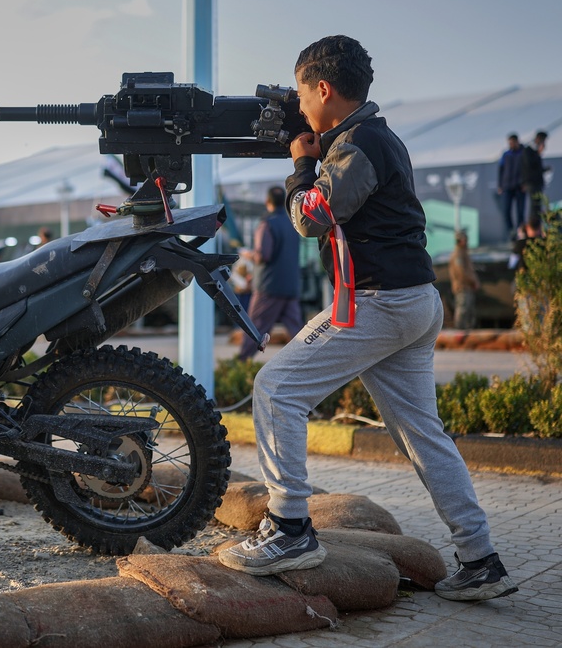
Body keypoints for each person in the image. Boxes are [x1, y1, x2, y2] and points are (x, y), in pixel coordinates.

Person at [216, 35, 517, 602]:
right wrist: (310, 152)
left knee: (276, 388)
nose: (299, 107)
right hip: (414, 302)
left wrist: (301, 166)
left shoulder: (357, 145)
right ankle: (480, 559)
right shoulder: (375, 138)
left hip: (379, 303)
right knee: (425, 437)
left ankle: (290, 530)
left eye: (303, 95)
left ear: (324, 89)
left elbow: (313, 218)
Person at [237, 186, 303, 360]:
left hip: (269, 287)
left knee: (254, 328)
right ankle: (313, 366)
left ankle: (238, 368)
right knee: (299, 334)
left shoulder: (266, 224)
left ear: (267, 202)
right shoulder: (293, 224)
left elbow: (262, 256)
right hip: (291, 286)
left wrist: (246, 254)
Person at [448, 231, 480, 330]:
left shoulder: (463, 253)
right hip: (462, 287)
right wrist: (472, 281)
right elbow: (461, 272)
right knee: (462, 310)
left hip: (467, 287)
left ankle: (466, 331)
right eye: (465, 240)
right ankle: (459, 332)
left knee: (468, 311)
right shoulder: (458, 254)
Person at [497, 133, 524, 238]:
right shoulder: (506, 154)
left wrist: (523, 183)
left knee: (520, 211)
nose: (511, 144)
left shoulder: (523, 153)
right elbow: (501, 170)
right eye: (510, 142)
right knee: (506, 210)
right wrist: (500, 185)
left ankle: (520, 231)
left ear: (517, 141)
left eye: (513, 142)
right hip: (507, 186)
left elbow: (526, 169)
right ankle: (511, 230)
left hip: (519, 187)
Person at [520, 131, 550, 221]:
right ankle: (532, 227)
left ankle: (535, 227)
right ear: (538, 139)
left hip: (537, 183)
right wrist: (538, 153)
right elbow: (530, 166)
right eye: (543, 141)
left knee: (537, 206)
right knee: (534, 206)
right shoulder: (528, 151)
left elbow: (537, 168)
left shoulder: (535, 152)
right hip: (531, 183)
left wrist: (544, 169)